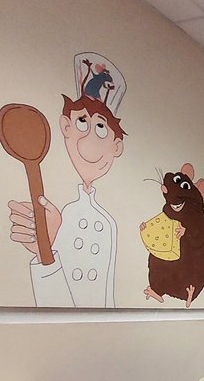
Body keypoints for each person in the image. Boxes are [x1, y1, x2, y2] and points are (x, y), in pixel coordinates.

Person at [7, 94, 124, 307]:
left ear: (116, 146)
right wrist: (44, 249)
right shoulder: (65, 215)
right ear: (66, 127)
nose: (88, 139)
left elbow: (107, 297)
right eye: (82, 122)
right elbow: (55, 307)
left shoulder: (108, 223)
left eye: (100, 127)